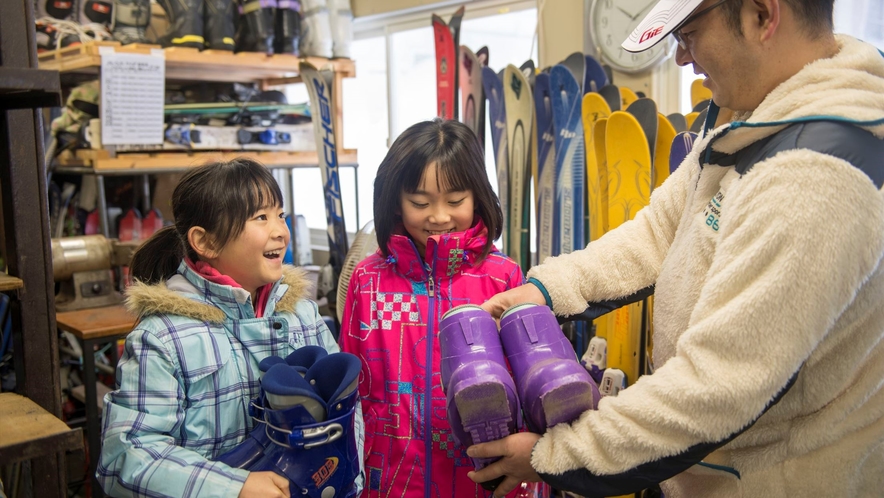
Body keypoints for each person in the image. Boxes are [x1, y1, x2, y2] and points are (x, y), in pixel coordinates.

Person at [467, 0, 884, 497]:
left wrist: (552, 455)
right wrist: (546, 289)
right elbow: (662, 230)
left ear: (760, 16)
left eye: (688, 33)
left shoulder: (814, 178)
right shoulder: (754, 110)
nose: (682, 58)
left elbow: (715, 390)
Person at [97, 158, 364, 498]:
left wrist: (347, 482)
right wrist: (234, 488)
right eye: (261, 217)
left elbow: (347, 413)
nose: (281, 231)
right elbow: (125, 457)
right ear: (205, 242)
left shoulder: (302, 315)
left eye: (280, 214)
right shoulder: (163, 338)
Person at [339, 119, 547, 497]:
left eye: (455, 201)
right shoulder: (368, 279)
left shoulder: (504, 277)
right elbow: (350, 387)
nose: (438, 216)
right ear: (396, 202)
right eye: (420, 202)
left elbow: (531, 388)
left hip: (483, 476)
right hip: (392, 478)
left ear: (477, 196)